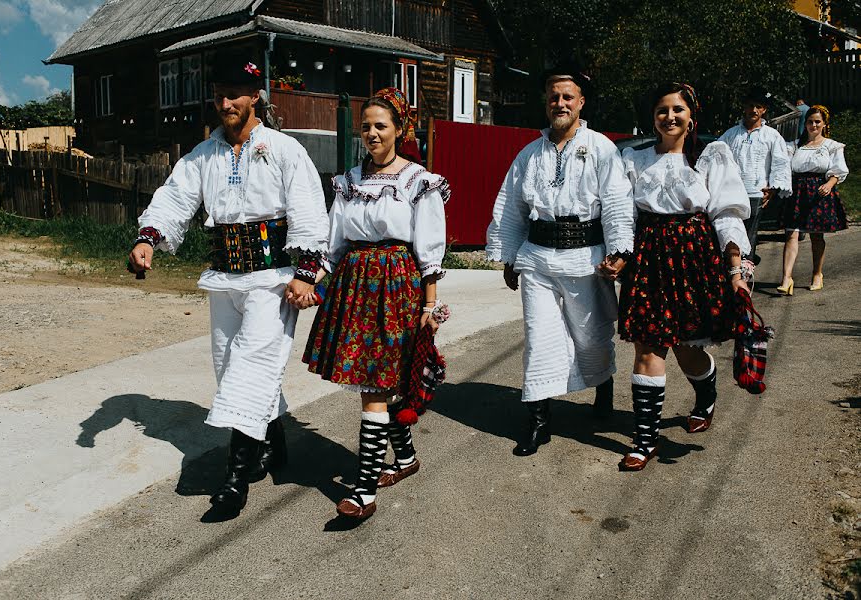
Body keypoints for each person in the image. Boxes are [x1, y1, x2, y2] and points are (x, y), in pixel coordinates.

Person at [128, 53, 329, 517]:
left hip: (273, 279)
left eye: (235, 93)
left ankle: (236, 477)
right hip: (223, 278)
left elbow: (308, 210)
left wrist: (305, 272)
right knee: (227, 365)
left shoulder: (284, 149)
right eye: (219, 93)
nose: (226, 102)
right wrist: (148, 239)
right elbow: (174, 198)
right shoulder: (203, 156)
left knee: (251, 366)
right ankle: (274, 445)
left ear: (254, 95)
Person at [302, 87, 448, 520]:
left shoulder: (418, 182)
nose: (371, 133)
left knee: (377, 387)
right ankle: (403, 460)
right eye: (365, 126)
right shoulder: (348, 181)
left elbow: (430, 248)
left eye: (380, 126)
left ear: (400, 130)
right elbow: (334, 244)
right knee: (377, 384)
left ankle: (363, 490)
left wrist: (430, 306)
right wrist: (309, 282)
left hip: (398, 287)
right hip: (354, 289)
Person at [485, 64, 634, 456]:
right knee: (540, 339)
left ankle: (603, 385)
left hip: (586, 258)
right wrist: (509, 257)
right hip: (538, 259)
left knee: (591, 335)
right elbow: (511, 208)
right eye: (554, 96)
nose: (560, 103)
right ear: (546, 102)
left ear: (581, 102)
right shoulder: (529, 155)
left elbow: (617, 201)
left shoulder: (601, 147)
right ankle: (538, 421)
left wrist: (619, 251)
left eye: (568, 97)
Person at [618, 82, 751, 471]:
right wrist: (620, 255)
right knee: (647, 347)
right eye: (662, 110)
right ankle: (645, 439)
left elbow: (726, 213)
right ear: (653, 117)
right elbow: (623, 214)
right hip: (648, 257)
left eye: (678, 109)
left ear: (691, 117)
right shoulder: (633, 159)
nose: (670, 117)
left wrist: (735, 268)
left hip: (694, 258)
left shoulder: (711, 156)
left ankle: (705, 394)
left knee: (686, 348)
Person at [777, 104, 849, 295]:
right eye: (810, 121)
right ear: (805, 124)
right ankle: (787, 278)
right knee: (791, 233)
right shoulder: (795, 146)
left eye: (817, 121)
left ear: (824, 124)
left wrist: (829, 184)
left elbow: (838, 170)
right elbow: (784, 167)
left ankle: (817, 274)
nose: (813, 125)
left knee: (816, 236)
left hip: (818, 192)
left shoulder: (831, 146)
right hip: (798, 191)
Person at [718, 87, 792, 265]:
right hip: (733, 193)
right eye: (750, 106)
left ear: (764, 110)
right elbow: (716, 158)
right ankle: (729, 273)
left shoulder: (771, 136)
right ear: (744, 107)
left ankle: (745, 273)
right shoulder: (731, 134)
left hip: (755, 193)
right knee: (730, 232)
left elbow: (780, 162)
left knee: (749, 236)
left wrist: (773, 188)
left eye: (758, 106)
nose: (754, 110)